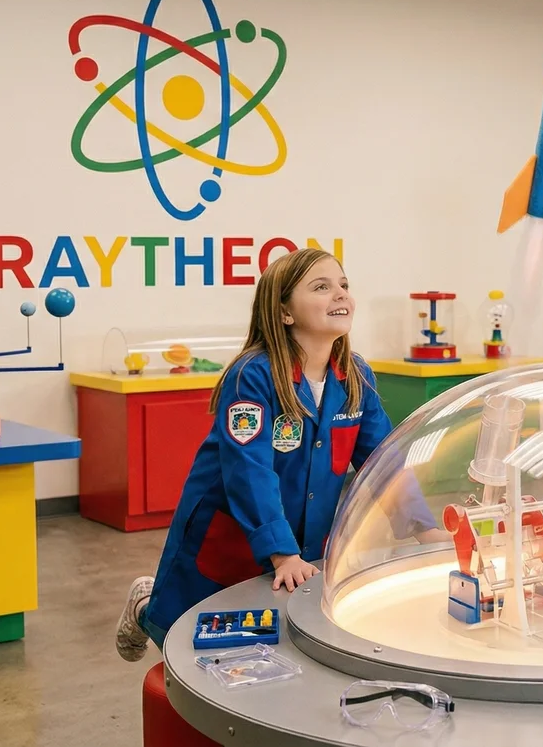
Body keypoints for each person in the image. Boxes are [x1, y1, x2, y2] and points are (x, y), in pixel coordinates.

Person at [114, 248, 443, 662]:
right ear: (285, 312)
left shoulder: (355, 375)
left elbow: (384, 463)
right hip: (232, 535)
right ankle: (144, 605)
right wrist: (281, 551)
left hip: (302, 542)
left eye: (343, 285)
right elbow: (249, 470)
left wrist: (425, 531)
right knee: (187, 639)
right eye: (321, 287)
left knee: (269, 645)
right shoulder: (252, 374)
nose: (340, 294)